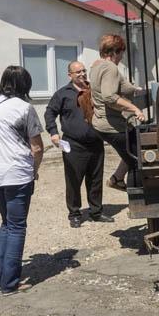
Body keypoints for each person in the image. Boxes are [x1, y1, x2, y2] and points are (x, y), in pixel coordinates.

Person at [0, 65, 44, 295]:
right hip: (16, 172)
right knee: (17, 227)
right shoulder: (25, 108)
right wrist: (34, 170)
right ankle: (10, 284)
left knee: (6, 224)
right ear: (26, 85)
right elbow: (37, 147)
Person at [45, 60, 113, 228]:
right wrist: (53, 132)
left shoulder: (95, 90)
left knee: (95, 180)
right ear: (70, 75)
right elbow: (50, 113)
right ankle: (75, 214)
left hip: (96, 142)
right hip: (74, 145)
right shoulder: (63, 94)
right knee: (73, 181)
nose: (82, 74)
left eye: (83, 71)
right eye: (78, 72)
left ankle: (96, 212)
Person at [89, 34, 146, 190]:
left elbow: (121, 85)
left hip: (100, 123)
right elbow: (109, 96)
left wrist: (136, 89)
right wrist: (135, 109)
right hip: (111, 125)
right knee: (137, 159)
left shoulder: (96, 66)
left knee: (131, 151)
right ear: (115, 52)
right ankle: (138, 198)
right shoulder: (110, 68)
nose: (122, 57)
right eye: (121, 53)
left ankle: (117, 179)